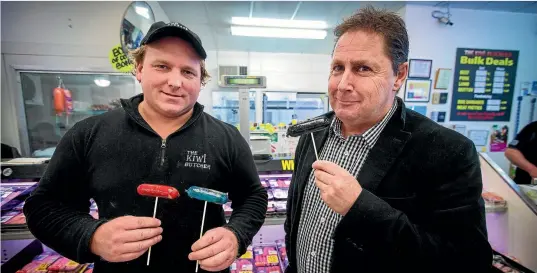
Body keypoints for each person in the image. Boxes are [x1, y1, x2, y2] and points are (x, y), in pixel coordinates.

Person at [23, 21, 268, 273]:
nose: (175, 82)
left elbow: (253, 197)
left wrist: (236, 235)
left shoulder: (227, 137)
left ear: (200, 80)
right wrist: (92, 236)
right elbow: (43, 207)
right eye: (162, 66)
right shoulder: (88, 134)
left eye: (188, 72)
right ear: (139, 69)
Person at [284, 6, 492, 273]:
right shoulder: (312, 135)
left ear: (400, 75)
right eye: (338, 68)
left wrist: (360, 207)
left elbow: (468, 261)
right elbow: (296, 219)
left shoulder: (448, 151)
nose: (343, 84)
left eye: (362, 68)